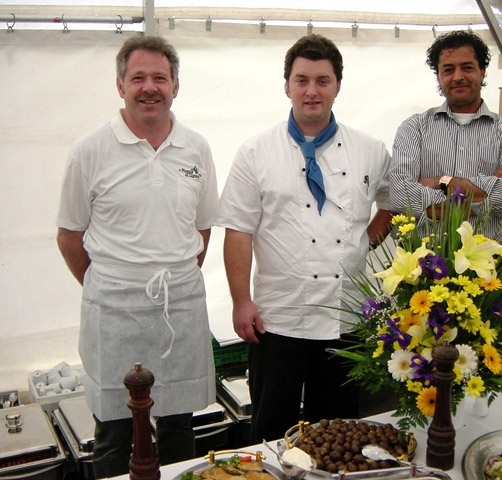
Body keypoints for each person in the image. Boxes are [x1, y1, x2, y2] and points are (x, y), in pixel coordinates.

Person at [215, 34, 394, 443]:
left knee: (338, 434)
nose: (312, 91)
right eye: (302, 80)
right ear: (287, 86)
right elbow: (238, 230)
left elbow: (391, 204)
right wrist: (241, 300)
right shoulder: (256, 151)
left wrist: (364, 242)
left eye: (322, 81)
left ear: (337, 86)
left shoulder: (369, 149)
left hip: (345, 318)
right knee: (271, 431)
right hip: (277, 317)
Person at [56, 35, 219, 478]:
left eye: (160, 78)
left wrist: (173, 279)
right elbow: (69, 235)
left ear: (176, 86)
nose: (150, 88)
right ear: (120, 85)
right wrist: (111, 286)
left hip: (179, 306)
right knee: (115, 428)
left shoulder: (196, 148)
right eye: (138, 78)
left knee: (179, 424)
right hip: (114, 311)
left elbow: (202, 227)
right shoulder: (90, 150)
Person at [389, 30, 502, 245]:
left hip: (486, 260)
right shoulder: (414, 128)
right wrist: (486, 190)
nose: (457, 77)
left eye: (467, 67)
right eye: (448, 70)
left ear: (482, 72)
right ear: (438, 76)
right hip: (423, 260)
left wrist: (441, 181)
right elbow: (400, 196)